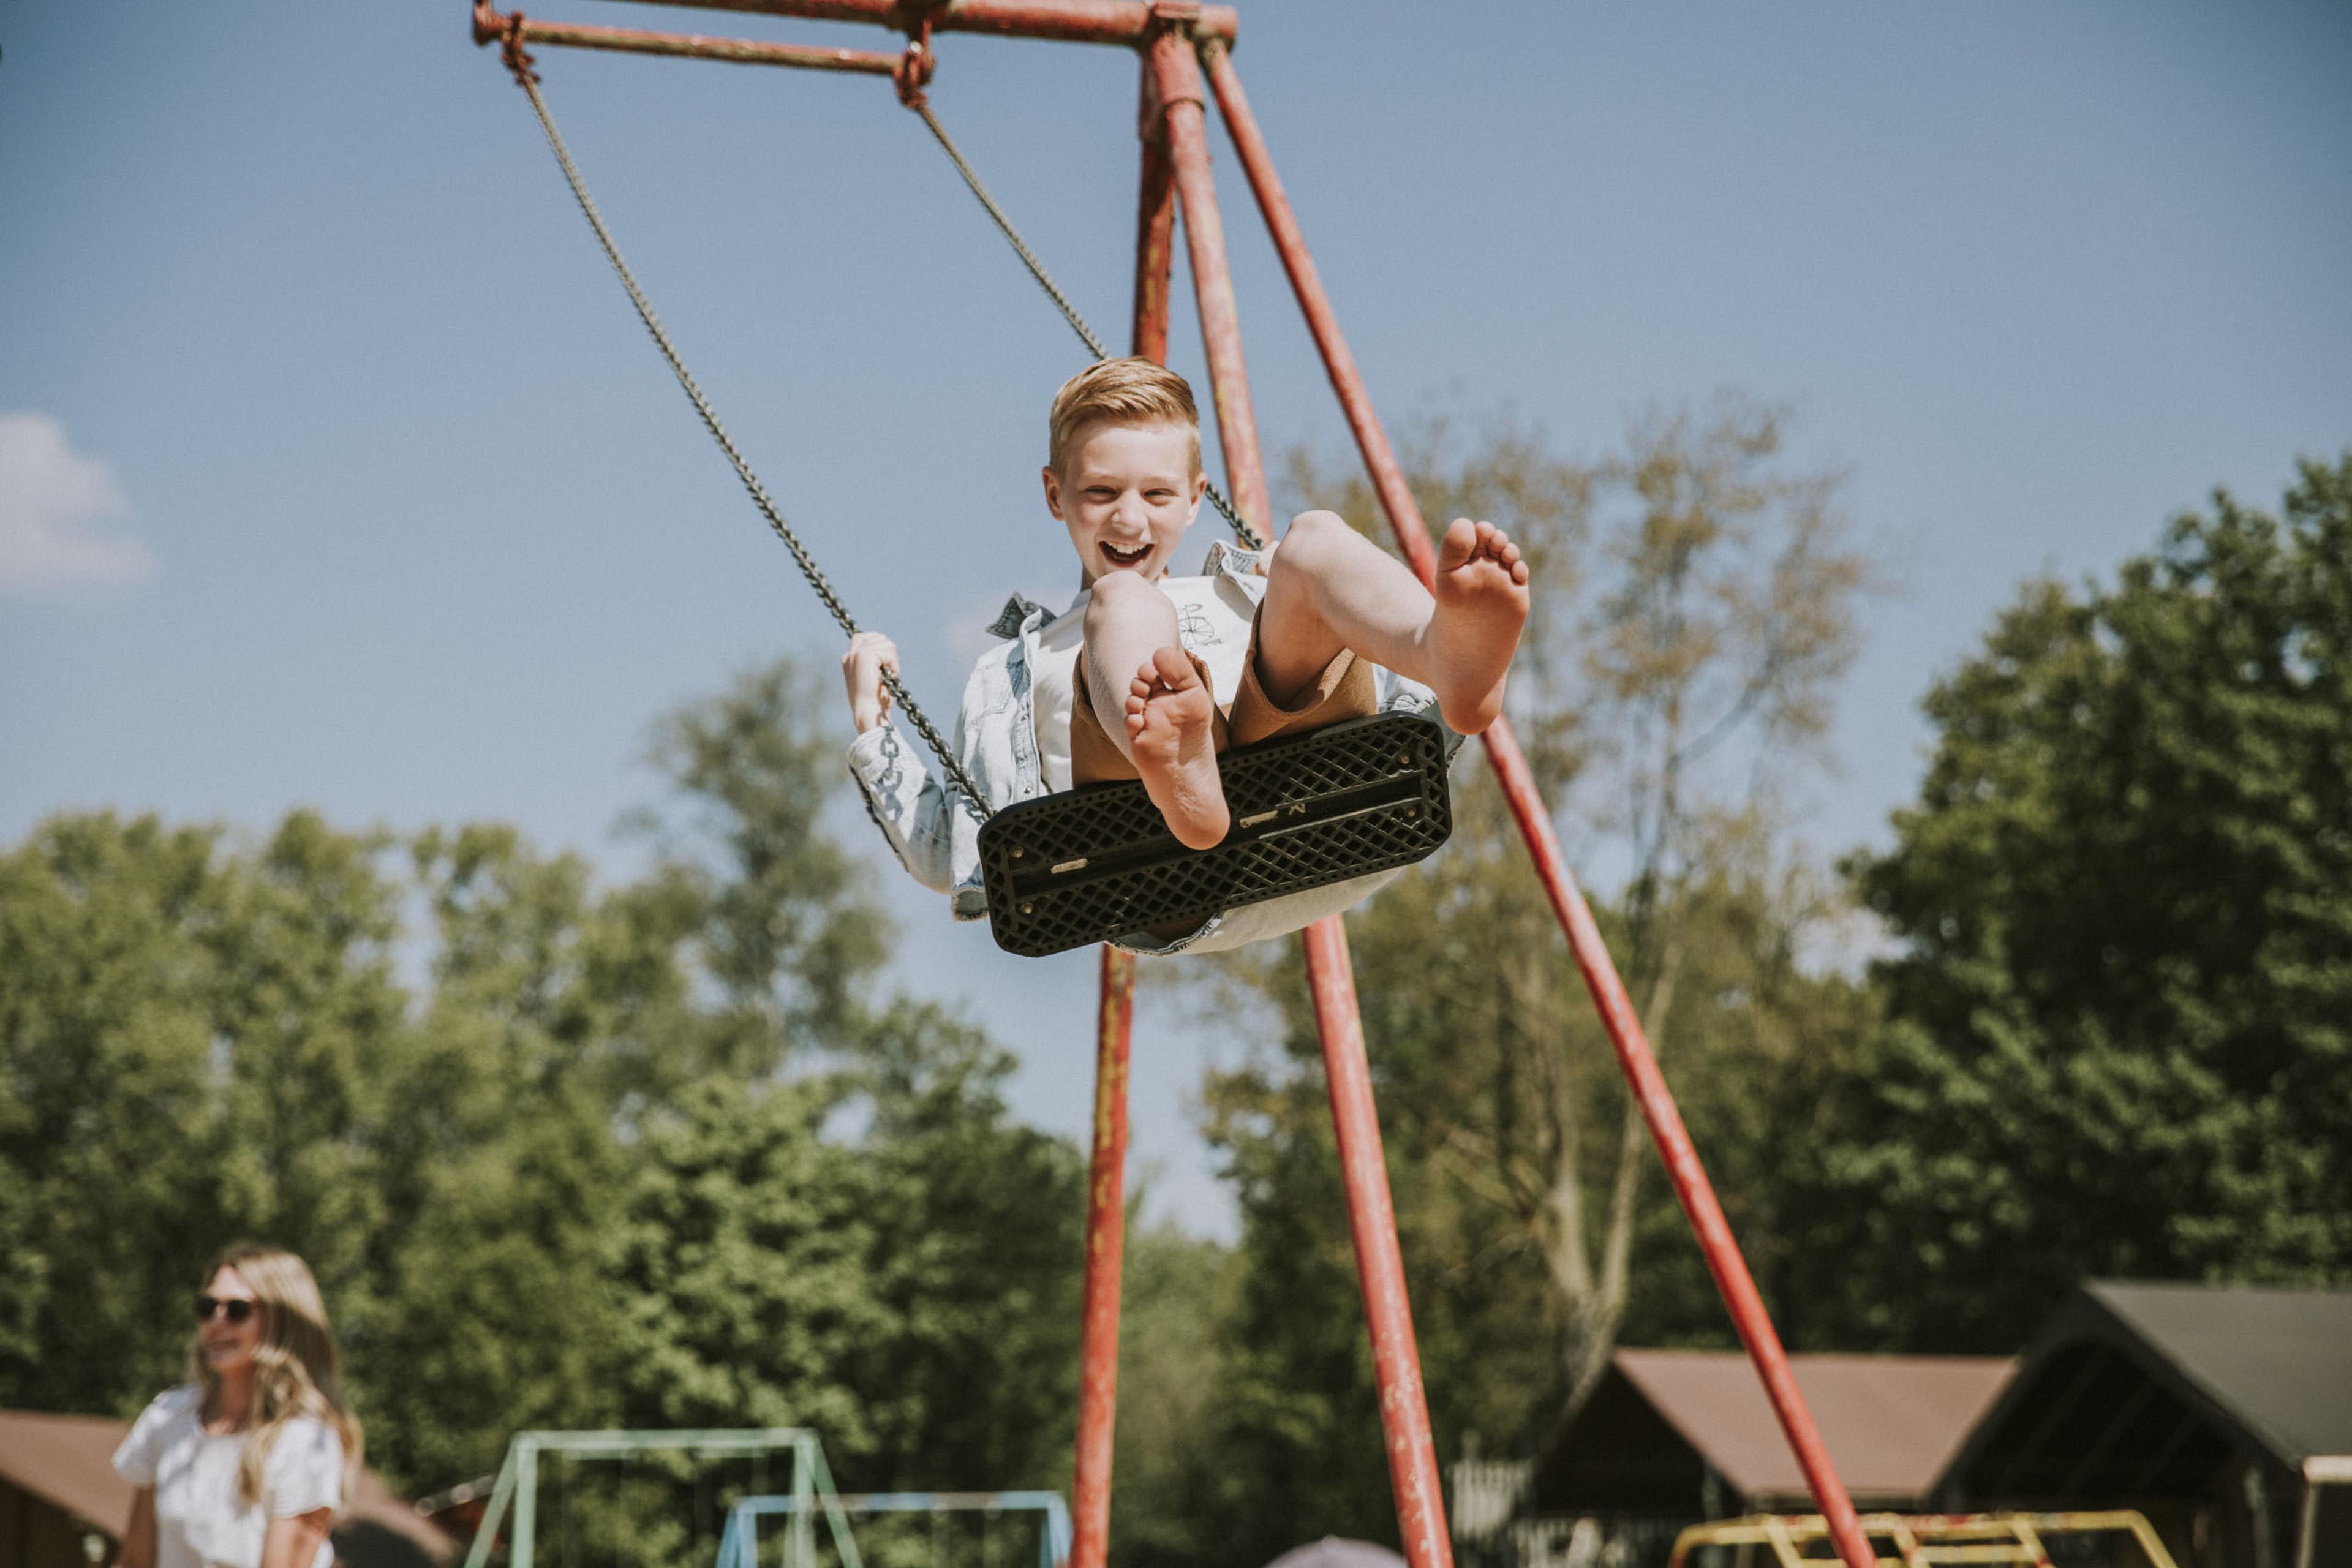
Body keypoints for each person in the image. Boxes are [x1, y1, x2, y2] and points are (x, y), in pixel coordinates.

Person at [844, 357, 1529, 955]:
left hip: (1313, 787)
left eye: (1158, 494)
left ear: (1198, 498)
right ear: (1056, 495)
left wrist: (1286, 585)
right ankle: (1171, 758)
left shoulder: (1239, 586)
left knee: (1313, 538)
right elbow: (947, 852)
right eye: (1101, 493)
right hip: (1138, 855)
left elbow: (1302, 600)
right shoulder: (1013, 670)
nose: (1130, 519)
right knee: (1123, 602)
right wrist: (875, 731)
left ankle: (1443, 659)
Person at [114, 1245, 364, 1568]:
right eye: (207, 1307)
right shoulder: (168, 1416)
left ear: (283, 1323)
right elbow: (136, 1561)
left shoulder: (304, 1441)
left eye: (237, 1310)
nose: (217, 1322)